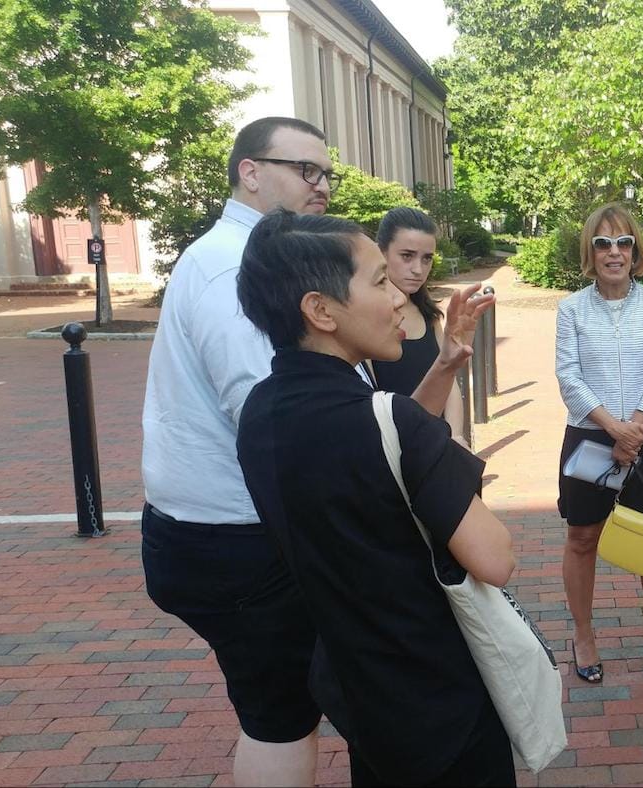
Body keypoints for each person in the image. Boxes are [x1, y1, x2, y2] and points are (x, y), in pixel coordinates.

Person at [235, 209, 514, 786]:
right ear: (320, 309)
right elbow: (496, 558)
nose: (396, 300)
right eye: (379, 280)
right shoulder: (387, 422)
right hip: (437, 687)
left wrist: (442, 365)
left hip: (359, 686)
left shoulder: (261, 412)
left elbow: (381, 445)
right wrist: (448, 458)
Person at [140, 116, 336, 786]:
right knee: (280, 715)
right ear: (251, 172)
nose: (323, 186)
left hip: (215, 530)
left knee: (277, 707)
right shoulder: (234, 265)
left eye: (327, 172)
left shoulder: (242, 256)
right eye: (307, 170)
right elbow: (269, 415)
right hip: (234, 539)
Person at [555, 202, 643, 689]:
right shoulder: (570, 308)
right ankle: (584, 635)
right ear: (591, 252)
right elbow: (568, 376)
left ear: (636, 251)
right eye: (603, 243)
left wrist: (634, 429)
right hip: (591, 435)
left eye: (623, 242)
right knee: (582, 537)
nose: (614, 252)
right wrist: (614, 428)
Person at [368, 206, 466, 444]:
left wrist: (455, 436)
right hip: (391, 447)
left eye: (427, 258)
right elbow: (369, 394)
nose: (418, 269)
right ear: (381, 253)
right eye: (407, 256)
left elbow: (449, 379)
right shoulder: (367, 318)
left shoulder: (429, 314)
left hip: (437, 443)